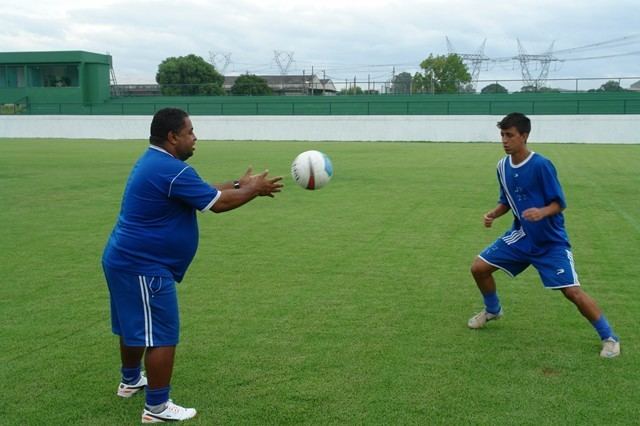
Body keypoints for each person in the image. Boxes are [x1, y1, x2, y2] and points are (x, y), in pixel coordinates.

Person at [102, 108, 283, 422]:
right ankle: (157, 408)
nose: (195, 137)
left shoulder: (159, 164)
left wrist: (239, 184)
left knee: (135, 325)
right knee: (161, 334)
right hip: (143, 266)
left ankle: (130, 381)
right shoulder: (170, 170)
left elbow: (203, 191)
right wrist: (253, 190)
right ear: (173, 137)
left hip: (125, 260)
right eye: (190, 132)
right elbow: (218, 204)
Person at [467, 112, 620, 358]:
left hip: (550, 242)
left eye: (510, 135)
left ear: (524, 136)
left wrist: (542, 212)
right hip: (521, 236)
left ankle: (609, 337)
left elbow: (559, 203)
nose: (505, 140)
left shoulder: (541, 165)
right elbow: (506, 199)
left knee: (572, 292)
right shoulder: (502, 166)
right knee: (478, 268)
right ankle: (493, 310)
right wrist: (494, 214)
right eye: (502, 135)